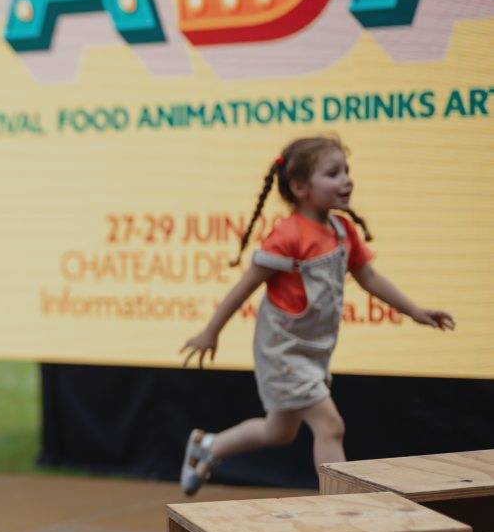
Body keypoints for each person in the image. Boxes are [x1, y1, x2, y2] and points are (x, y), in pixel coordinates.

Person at [179, 136, 455, 493]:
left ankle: (208, 446)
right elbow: (245, 286)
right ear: (300, 188)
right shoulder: (288, 236)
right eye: (333, 173)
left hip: (313, 350)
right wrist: (210, 331)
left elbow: (369, 277)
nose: (346, 180)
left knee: (278, 432)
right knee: (330, 426)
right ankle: (340, 506)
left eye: (347, 171)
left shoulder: (342, 230)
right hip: (283, 351)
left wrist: (415, 311)